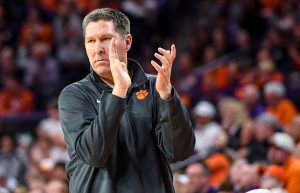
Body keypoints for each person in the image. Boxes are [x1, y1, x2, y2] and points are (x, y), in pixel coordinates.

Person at [58, 8, 195, 193]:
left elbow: (179, 152)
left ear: (127, 41)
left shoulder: (157, 88)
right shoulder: (74, 95)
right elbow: (94, 154)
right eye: (91, 41)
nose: (97, 49)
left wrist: (167, 97)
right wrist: (118, 91)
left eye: (105, 39)